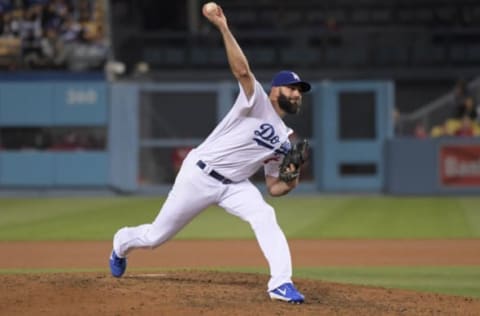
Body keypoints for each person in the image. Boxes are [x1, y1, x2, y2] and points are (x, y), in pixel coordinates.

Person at [109, 3, 310, 304]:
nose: (297, 93)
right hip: (200, 174)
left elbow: (274, 188)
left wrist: (292, 177)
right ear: (275, 90)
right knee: (155, 237)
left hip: (235, 186)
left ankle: (280, 283)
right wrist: (223, 27)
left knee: (265, 214)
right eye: (292, 88)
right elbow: (242, 71)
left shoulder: (285, 138)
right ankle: (122, 242)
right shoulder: (256, 102)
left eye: (300, 91)